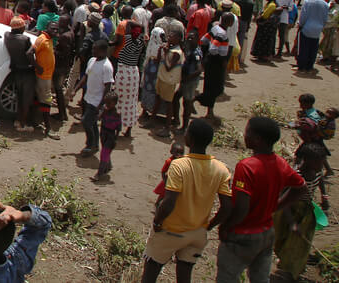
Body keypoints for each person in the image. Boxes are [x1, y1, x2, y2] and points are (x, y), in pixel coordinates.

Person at [216, 117, 309, 283]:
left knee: (228, 277)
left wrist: (225, 226)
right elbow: (301, 188)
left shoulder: (246, 166)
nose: (245, 136)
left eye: (247, 132)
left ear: (257, 139)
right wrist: (275, 207)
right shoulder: (280, 163)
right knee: (260, 278)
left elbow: (241, 208)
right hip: (266, 232)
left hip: (242, 234)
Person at [141, 119, 232, 283]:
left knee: (151, 272)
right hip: (197, 233)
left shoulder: (179, 165)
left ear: (189, 139)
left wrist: (157, 221)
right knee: (184, 276)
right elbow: (226, 207)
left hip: (170, 230)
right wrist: (208, 226)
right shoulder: (221, 169)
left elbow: (169, 202)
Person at [273, 141, 329, 281]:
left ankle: (293, 268)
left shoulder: (315, 172)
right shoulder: (296, 175)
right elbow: (283, 199)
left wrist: (324, 196)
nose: (322, 166)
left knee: (301, 242)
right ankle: (285, 270)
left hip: (306, 211)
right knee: (284, 239)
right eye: (319, 163)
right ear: (309, 161)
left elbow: (320, 179)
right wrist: (291, 222)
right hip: (290, 210)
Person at [70, 38, 113, 157]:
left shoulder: (107, 67)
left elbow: (108, 87)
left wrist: (101, 105)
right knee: (92, 123)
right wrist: (75, 90)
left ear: (103, 51)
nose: (92, 51)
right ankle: (94, 144)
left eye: (95, 49)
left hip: (96, 101)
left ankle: (90, 145)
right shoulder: (92, 60)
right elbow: (85, 77)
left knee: (86, 121)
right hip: (88, 98)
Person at [5, 18, 36, 132]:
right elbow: (29, 54)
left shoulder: (7, 36)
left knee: (19, 97)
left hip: (16, 70)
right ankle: (23, 124)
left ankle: (17, 121)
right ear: (22, 28)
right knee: (27, 99)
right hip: (27, 71)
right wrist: (35, 66)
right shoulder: (25, 39)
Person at [32, 22, 59, 139]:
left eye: (57, 30)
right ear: (46, 28)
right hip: (43, 77)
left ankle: (35, 121)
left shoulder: (49, 39)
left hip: (47, 77)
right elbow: (29, 53)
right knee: (47, 101)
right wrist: (37, 67)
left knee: (41, 99)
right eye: (53, 29)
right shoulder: (41, 39)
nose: (55, 32)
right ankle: (48, 128)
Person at [296, 0, 329, 74]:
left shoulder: (307, 2)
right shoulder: (325, 4)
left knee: (304, 48)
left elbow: (304, 15)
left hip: (307, 27)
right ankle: (309, 66)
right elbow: (325, 18)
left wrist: (301, 24)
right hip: (317, 29)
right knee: (313, 48)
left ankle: (302, 66)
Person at [93, 91, 121, 182]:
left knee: (104, 153)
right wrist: (103, 112)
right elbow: (99, 118)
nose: (107, 104)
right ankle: (108, 166)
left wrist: (115, 138)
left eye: (109, 103)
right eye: (106, 102)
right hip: (103, 133)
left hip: (110, 136)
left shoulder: (117, 114)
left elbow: (118, 128)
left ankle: (99, 173)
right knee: (105, 151)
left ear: (115, 103)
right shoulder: (105, 110)